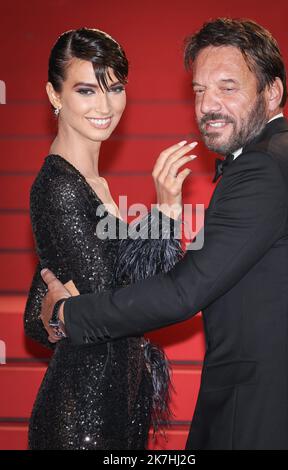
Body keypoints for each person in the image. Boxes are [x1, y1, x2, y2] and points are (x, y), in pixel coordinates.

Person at [40, 18, 288, 450]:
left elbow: (184, 291)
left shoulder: (263, 169)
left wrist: (69, 316)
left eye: (227, 87)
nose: (208, 105)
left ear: (273, 92)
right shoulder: (280, 159)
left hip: (257, 410)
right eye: (199, 90)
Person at [24, 27, 197, 450]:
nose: (105, 106)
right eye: (86, 90)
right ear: (54, 95)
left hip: (117, 401)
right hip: (83, 416)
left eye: (115, 88)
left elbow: (42, 305)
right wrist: (166, 212)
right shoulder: (59, 187)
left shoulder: (94, 184)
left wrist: (49, 314)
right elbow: (113, 307)